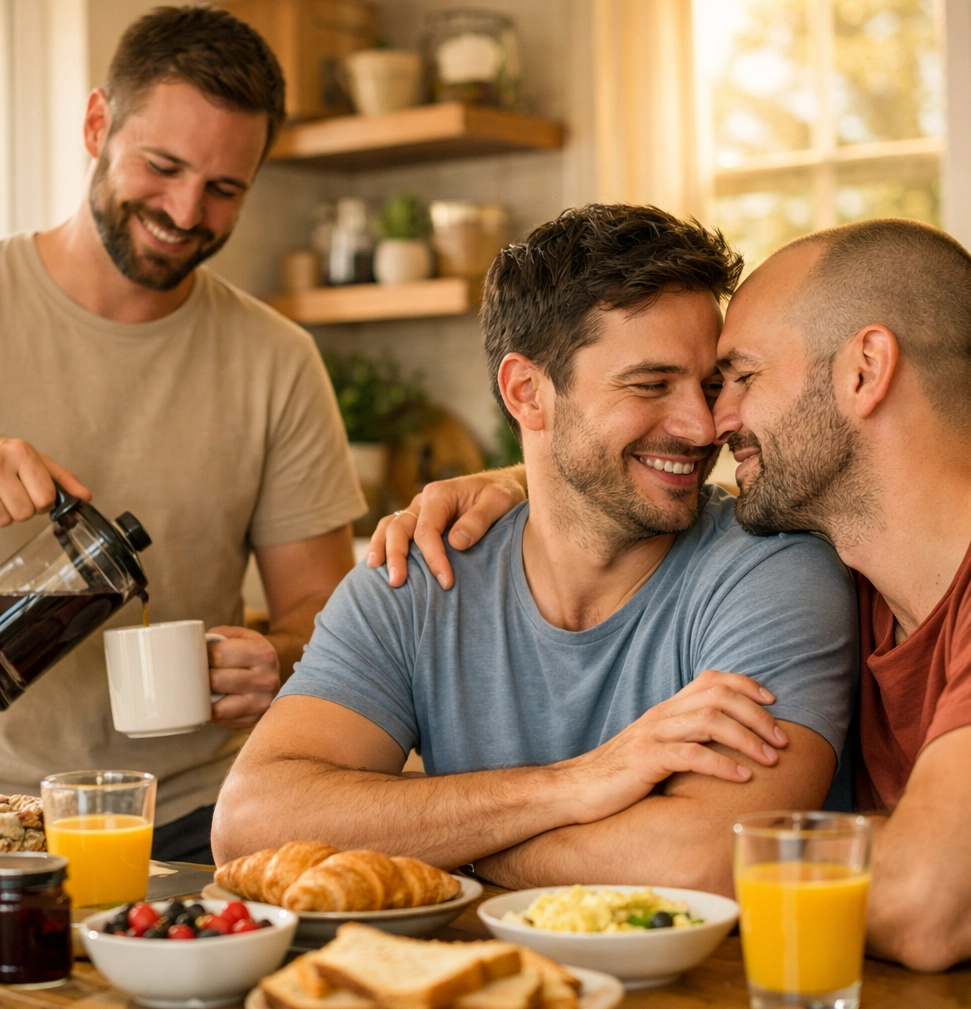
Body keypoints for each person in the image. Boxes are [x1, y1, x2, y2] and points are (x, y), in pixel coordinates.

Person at [379, 215, 971, 972]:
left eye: (739, 378)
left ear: (864, 370)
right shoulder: (860, 577)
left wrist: (475, 848)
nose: (712, 423)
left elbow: (929, 900)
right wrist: (530, 476)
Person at [213, 205, 857, 892]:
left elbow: (702, 862)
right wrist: (576, 785)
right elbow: (250, 820)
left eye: (709, 386)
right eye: (650, 385)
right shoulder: (420, 570)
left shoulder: (771, 571)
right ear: (528, 393)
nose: (703, 428)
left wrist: (452, 845)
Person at [0, 7, 365, 864]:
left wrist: (275, 656)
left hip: (201, 818)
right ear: (98, 124)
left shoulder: (277, 360)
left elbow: (323, 613)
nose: (185, 211)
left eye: (224, 188)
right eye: (162, 167)